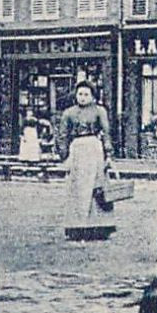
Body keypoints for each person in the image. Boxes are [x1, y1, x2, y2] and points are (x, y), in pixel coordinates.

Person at [57, 82, 116, 241]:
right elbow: (62, 135)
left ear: (93, 96)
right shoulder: (69, 113)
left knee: (97, 187)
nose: (82, 98)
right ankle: (76, 227)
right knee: (77, 189)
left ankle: (99, 227)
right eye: (80, 94)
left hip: (94, 149)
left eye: (86, 94)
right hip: (77, 150)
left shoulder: (99, 111)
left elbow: (106, 132)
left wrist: (108, 154)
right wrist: (64, 156)